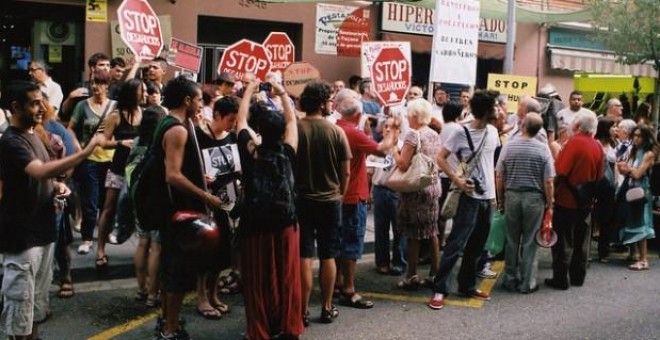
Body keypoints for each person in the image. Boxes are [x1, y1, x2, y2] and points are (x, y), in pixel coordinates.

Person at [0, 80, 105, 340]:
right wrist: (85, 152)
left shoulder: (35, 134)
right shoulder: (11, 141)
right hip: (22, 238)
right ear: (16, 107)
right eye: (34, 102)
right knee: (19, 308)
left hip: (43, 231)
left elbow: (42, 176)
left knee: (36, 305)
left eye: (42, 100)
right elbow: (38, 170)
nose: (42, 107)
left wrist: (57, 185)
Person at [236, 79, 304, 339]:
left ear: (259, 132)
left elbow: (240, 122)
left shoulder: (251, 152)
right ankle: (287, 326)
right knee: (286, 277)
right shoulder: (288, 152)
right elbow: (292, 122)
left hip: (255, 225)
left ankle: (261, 329)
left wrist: (250, 90)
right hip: (285, 223)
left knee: (258, 280)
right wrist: (283, 93)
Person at [156, 76, 222, 340]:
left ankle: (167, 321)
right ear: (186, 100)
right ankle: (171, 329)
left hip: (172, 208)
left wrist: (197, 177)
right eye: (197, 99)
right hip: (178, 211)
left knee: (172, 269)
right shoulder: (177, 129)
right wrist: (205, 197)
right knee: (178, 272)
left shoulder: (171, 123)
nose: (200, 105)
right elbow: (172, 175)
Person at [430, 90, 500, 310]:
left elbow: (492, 163)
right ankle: (440, 288)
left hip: (487, 197)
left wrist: (496, 195)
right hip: (469, 196)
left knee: (477, 245)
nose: (499, 110)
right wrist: (457, 180)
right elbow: (440, 158)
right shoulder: (461, 132)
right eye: (495, 106)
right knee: (456, 243)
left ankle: (467, 285)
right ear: (486, 111)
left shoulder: (493, 131)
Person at [334, 88, 397, 310]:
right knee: (351, 243)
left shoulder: (337, 128)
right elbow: (381, 150)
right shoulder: (352, 132)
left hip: (337, 195)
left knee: (339, 242)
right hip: (352, 195)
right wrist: (393, 131)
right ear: (358, 114)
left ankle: (337, 282)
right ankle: (349, 289)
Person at [296, 80, 351, 325]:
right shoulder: (335, 131)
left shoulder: (294, 128)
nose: (331, 104)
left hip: (301, 200)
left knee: (304, 256)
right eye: (329, 100)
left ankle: (302, 310)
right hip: (330, 200)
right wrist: (340, 193)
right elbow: (345, 172)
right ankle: (327, 307)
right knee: (328, 255)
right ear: (321, 103)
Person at [496, 113, 555, 294]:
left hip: (512, 195)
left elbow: (499, 175)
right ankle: (527, 282)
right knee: (530, 241)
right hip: (534, 199)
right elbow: (549, 181)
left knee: (512, 240)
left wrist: (501, 199)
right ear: (539, 130)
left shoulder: (509, 146)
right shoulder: (543, 149)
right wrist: (550, 203)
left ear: (522, 126)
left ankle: (510, 278)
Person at [545, 110, 604, 290]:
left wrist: (551, 195)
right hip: (586, 202)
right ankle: (578, 276)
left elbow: (560, 172)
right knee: (581, 242)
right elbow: (600, 176)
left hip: (566, 200)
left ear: (578, 126)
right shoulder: (598, 146)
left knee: (563, 241)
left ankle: (561, 279)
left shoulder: (573, 144)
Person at [194, 96, 241, 319]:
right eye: (230, 119)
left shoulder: (232, 137)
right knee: (206, 253)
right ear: (218, 116)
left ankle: (213, 295)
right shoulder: (199, 137)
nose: (233, 124)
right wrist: (200, 179)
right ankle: (201, 297)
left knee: (222, 253)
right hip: (208, 202)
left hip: (228, 200)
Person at [391, 98, 442, 291]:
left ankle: (412, 276)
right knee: (432, 231)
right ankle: (435, 273)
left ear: (414, 116)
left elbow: (403, 163)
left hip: (416, 189)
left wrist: (393, 148)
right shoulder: (434, 134)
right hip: (433, 186)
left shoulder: (413, 135)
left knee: (413, 234)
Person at [95, 79, 145, 270]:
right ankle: (100, 249)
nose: (145, 94)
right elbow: (103, 142)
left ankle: (139, 248)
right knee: (108, 208)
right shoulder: (116, 116)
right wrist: (120, 143)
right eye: (141, 91)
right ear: (133, 93)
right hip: (118, 168)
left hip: (137, 169)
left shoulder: (144, 113)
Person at [67, 70, 117, 255]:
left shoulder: (115, 106)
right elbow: (70, 129)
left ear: (107, 85)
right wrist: (78, 147)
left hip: (110, 159)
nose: (95, 86)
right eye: (93, 82)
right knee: (90, 202)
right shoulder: (82, 106)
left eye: (100, 83)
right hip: (89, 159)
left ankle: (106, 233)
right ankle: (88, 238)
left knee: (108, 203)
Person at [616, 124, 657, 270]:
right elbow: (627, 171)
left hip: (641, 190)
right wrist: (625, 169)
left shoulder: (648, 153)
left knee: (641, 223)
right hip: (631, 188)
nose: (636, 138)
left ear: (646, 137)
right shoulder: (634, 151)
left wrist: (627, 169)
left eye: (640, 136)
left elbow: (638, 174)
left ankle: (644, 259)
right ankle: (633, 253)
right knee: (631, 219)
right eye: (635, 135)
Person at [369, 116, 406, 276]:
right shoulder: (377, 148)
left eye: (392, 127)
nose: (388, 130)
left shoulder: (404, 148)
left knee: (399, 229)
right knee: (381, 228)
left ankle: (399, 261)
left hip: (396, 192)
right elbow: (370, 172)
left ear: (399, 131)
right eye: (386, 127)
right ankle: (382, 261)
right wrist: (370, 190)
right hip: (380, 189)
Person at [593, 118, 618, 263]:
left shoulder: (614, 144)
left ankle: (603, 251)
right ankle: (586, 250)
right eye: (612, 127)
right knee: (592, 217)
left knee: (607, 218)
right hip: (596, 184)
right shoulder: (596, 143)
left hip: (610, 186)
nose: (615, 129)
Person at [61, 53, 111, 122]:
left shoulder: (114, 87)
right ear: (92, 68)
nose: (106, 68)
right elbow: (64, 112)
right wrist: (70, 97)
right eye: (101, 65)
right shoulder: (81, 86)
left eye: (108, 65)